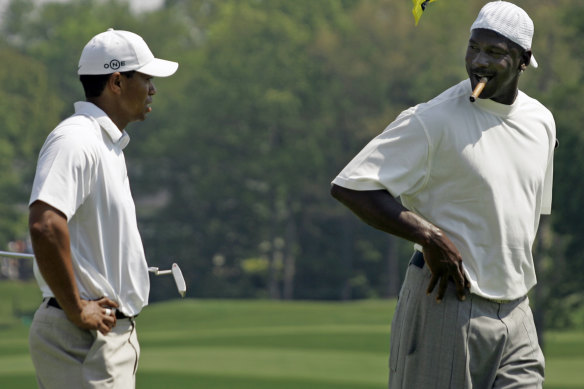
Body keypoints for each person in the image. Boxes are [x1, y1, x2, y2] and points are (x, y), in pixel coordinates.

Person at [330, 2, 555, 388]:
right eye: (474, 48)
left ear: (523, 60)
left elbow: (522, 214)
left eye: (495, 53)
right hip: (446, 305)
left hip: (518, 313)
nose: (479, 62)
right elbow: (351, 186)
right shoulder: (433, 119)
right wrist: (428, 236)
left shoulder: (541, 122)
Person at [28, 28, 178, 388]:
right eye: (146, 78)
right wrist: (78, 308)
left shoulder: (104, 144)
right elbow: (45, 225)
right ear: (116, 82)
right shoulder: (77, 140)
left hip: (100, 340)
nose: (153, 89)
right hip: (84, 341)